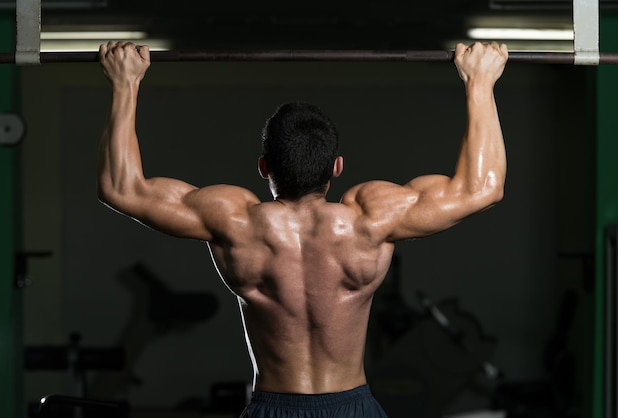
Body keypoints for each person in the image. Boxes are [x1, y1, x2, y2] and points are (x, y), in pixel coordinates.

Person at [97, 40, 508, 418]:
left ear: (264, 168)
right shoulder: (370, 220)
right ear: (336, 167)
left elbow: (121, 189)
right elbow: (483, 187)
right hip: (354, 408)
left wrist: (125, 83)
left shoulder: (235, 222)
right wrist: (480, 82)